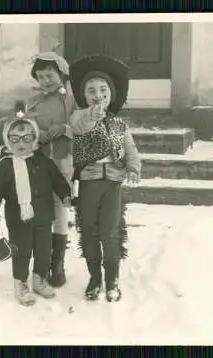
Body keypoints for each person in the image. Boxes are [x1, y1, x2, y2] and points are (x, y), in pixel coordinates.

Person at [68, 55, 142, 302]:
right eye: (91, 91)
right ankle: (94, 278)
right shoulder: (79, 116)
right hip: (88, 183)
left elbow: (130, 148)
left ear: (111, 94)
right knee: (89, 231)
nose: (97, 94)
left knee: (110, 232)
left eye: (103, 90)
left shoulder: (120, 124)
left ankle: (112, 279)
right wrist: (91, 114)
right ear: (84, 96)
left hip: (112, 183)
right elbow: (80, 128)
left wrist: (132, 167)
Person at [1, 52, 78, 288]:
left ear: (61, 74)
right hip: (39, 162)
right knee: (41, 209)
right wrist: (37, 134)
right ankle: (38, 261)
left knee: (60, 207)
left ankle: (58, 264)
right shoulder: (33, 101)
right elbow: (25, 127)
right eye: (41, 76)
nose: (46, 80)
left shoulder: (71, 98)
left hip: (64, 159)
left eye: (50, 75)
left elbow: (82, 123)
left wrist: (64, 127)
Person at [0, 101, 72, 307]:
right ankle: (21, 283)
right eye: (14, 139)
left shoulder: (44, 162)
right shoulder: (3, 166)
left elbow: (58, 180)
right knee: (22, 251)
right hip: (18, 219)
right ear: (8, 141)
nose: (21, 143)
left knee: (43, 250)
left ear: (34, 140)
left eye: (27, 138)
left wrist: (65, 194)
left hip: (44, 217)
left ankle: (39, 279)